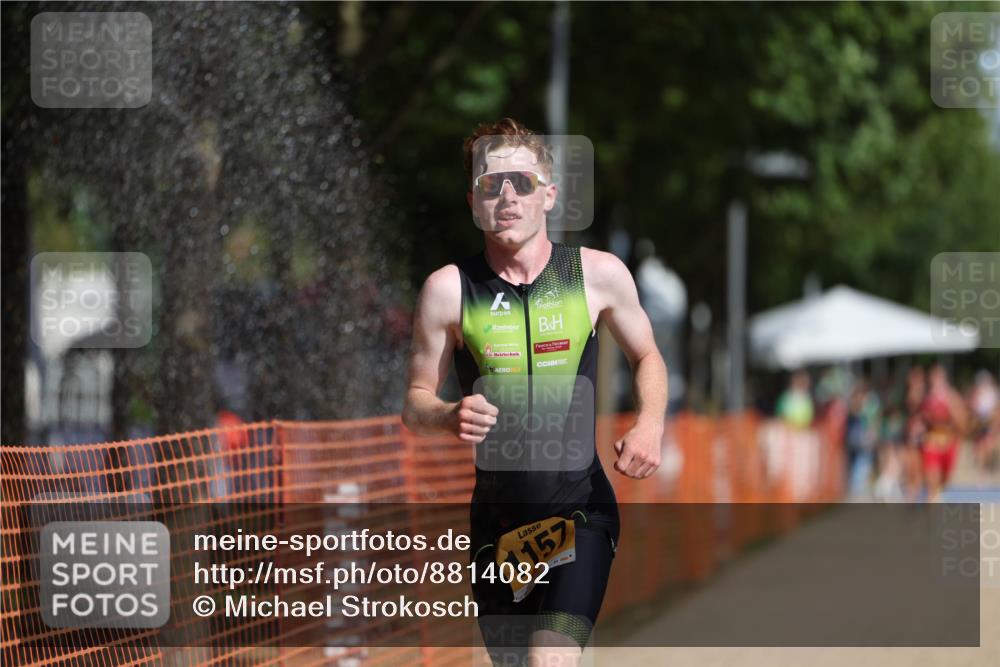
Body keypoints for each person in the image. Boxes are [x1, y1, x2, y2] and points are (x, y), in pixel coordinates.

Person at [401, 118, 667, 666]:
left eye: (521, 183)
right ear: (473, 202)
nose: (506, 197)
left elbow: (648, 356)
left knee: (550, 659)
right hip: (497, 526)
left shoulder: (596, 275)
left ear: (549, 195)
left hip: (580, 511)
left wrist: (649, 424)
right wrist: (446, 414)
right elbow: (414, 402)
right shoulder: (448, 290)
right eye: (490, 185)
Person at [919, 364, 966, 502]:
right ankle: (932, 502)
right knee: (932, 478)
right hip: (932, 441)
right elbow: (920, 419)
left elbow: (962, 423)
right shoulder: (926, 398)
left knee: (945, 480)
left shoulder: (952, 396)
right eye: (933, 378)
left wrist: (951, 410)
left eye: (938, 377)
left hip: (948, 441)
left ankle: (936, 497)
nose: (935, 381)